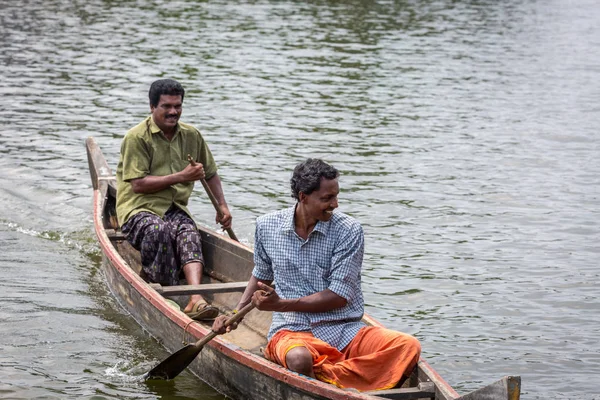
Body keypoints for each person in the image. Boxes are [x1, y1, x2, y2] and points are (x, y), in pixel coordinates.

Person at [213, 158, 421, 391]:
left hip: (344, 329)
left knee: (407, 345)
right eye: (327, 198)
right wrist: (234, 315)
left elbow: (339, 296)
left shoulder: (348, 230)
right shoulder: (266, 226)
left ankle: (327, 375)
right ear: (303, 197)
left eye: (336, 196)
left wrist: (280, 304)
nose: (335, 204)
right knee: (300, 359)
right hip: (292, 330)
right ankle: (347, 378)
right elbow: (261, 275)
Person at [116, 78, 232, 321]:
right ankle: (163, 291)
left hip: (173, 206)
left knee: (189, 232)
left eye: (177, 106)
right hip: (138, 207)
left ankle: (195, 297)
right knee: (157, 231)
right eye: (166, 106)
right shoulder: (136, 138)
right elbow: (138, 185)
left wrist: (222, 206)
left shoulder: (191, 135)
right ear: (152, 107)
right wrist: (182, 176)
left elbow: (209, 173)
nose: (173, 112)